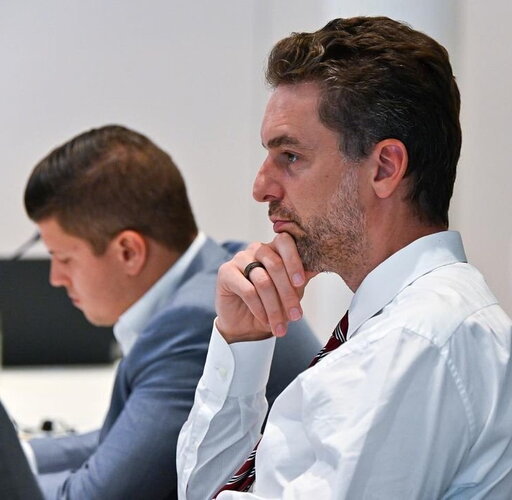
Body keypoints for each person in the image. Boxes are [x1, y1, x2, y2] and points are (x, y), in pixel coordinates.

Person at [177, 16, 512, 499]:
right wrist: (243, 340)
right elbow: (203, 490)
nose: (261, 188)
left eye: (290, 157)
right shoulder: (398, 326)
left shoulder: (415, 340)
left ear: (384, 168)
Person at [21, 125, 319, 500]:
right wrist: (21, 455)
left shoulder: (192, 323)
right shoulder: (218, 262)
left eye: (63, 258)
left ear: (129, 251)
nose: (55, 278)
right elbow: (125, 439)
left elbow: (93, 496)